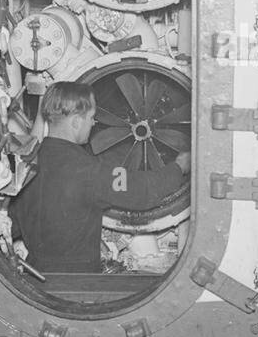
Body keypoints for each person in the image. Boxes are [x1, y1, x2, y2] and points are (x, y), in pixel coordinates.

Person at [10, 81, 190, 273]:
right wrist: (179, 167)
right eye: (91, 117)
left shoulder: (25, 163)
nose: (94, 123)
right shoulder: (88, 170)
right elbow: (143, 190)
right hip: (78, 282)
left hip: (36, 275)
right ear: (76, 122)